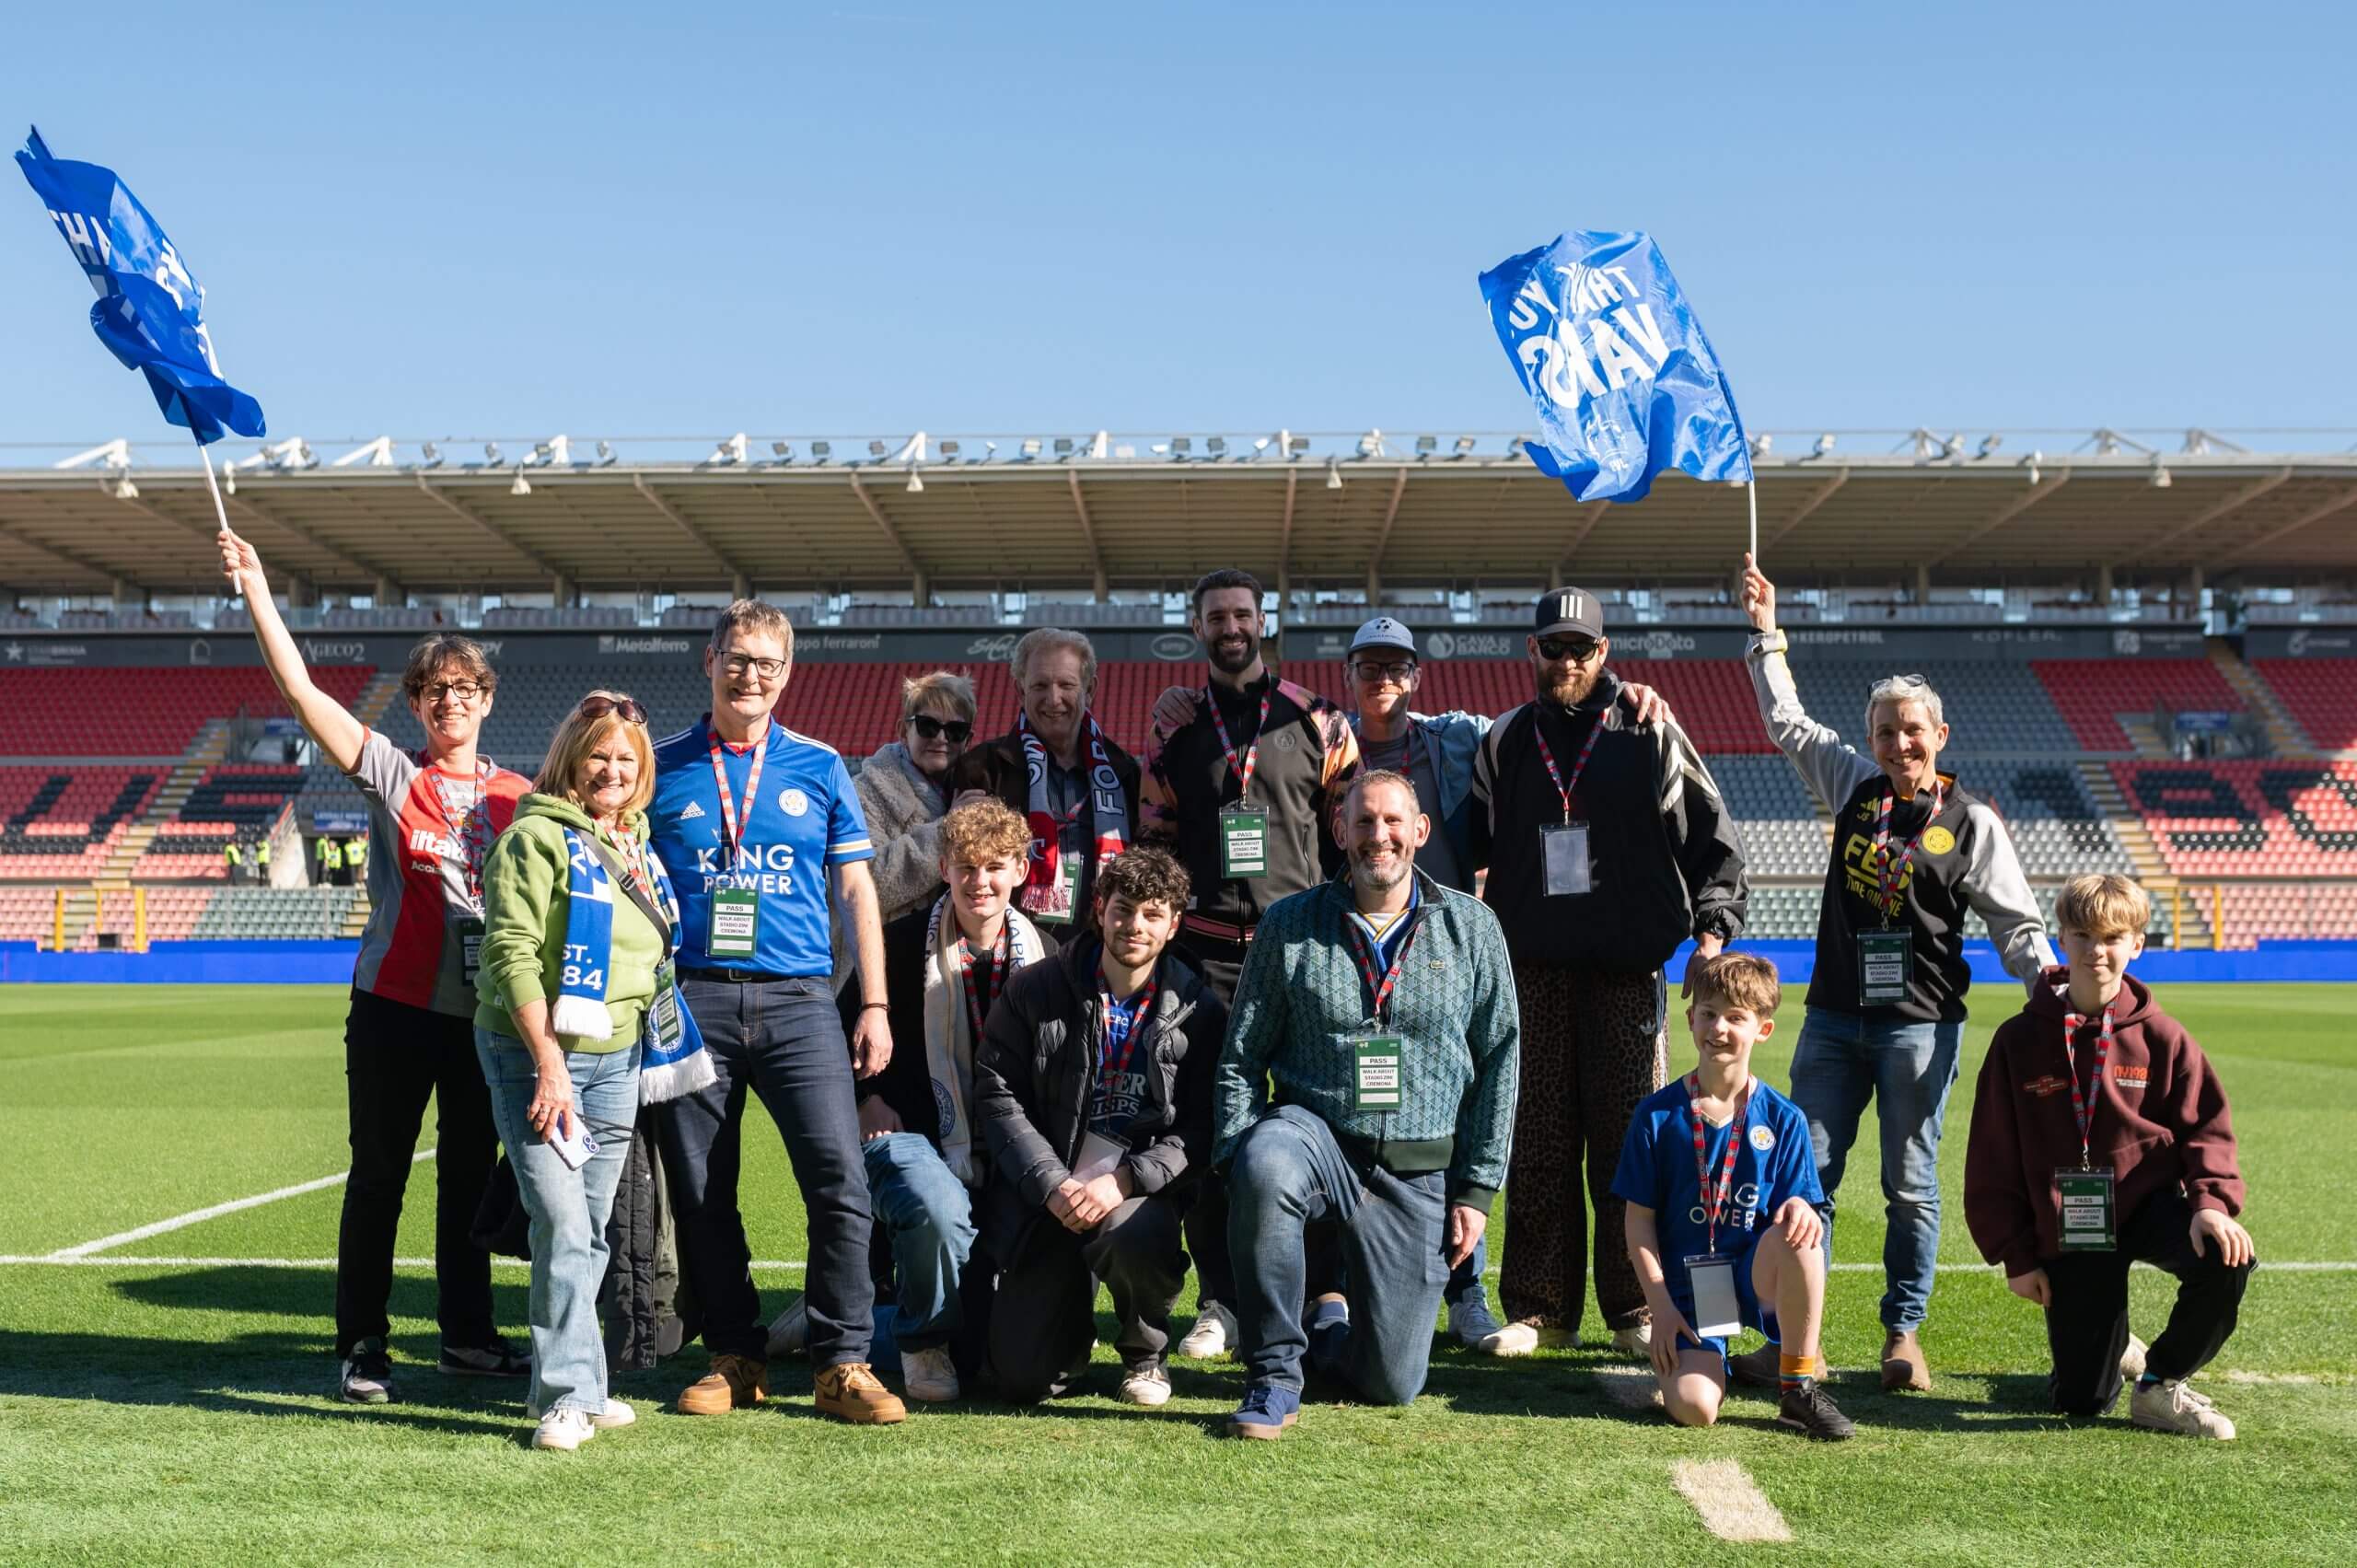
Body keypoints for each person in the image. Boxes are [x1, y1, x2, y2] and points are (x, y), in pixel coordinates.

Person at [219, 526, 530, 1404]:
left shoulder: (519, 796)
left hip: (484, 1017)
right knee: (380, 1175)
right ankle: (362, 1340)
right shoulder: (392, 772)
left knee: (470, 1180)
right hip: (393, 1007)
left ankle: (468, 1337)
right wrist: (257, 592)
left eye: (465, 689)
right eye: (435, 691)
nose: (451, 703)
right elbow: (300, 689)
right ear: (417, 704)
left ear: (486, 700)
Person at [1739, 553, 2053, 1392]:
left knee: (1909, 1186)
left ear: (1938, 736)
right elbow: (1790, 726)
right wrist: (1769, 635)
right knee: (1806, 1176)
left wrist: (2052, 992)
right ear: (1872, 740)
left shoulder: (1971, 822)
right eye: (1886, 731)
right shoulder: (1852, 785)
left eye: (1912, 730)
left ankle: (1901, 1332)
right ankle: (1788, 1336)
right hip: (1835, 1020)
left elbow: (2018, 923)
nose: (1899, 742)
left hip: (1921, 1025)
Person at [643, 600, 906, 1425]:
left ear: (787, 673)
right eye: (736, 657)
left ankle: (843, 1360)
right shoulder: (660, 763)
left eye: (766, 662)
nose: (749, 674)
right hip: (694, 995)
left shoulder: (822, 766)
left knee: (837, 1176)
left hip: (800, 999)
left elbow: (859, 888)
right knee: (700, 1187)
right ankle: (735, 1353)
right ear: (709, 660)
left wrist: (874, 1001)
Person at [1470, 588, 1749, 1360]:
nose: (1567, 661)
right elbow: (1462, 839)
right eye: (1553, 647)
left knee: (1630, 1143)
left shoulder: (1652, 729)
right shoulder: (1505, 741)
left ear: (1604, 652)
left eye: (1582, 648)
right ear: (1531, 651)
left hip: (1629, 973)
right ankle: (1538, 1309)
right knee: (1537, 1143)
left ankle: (1632, 1305)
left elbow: (1713, 838)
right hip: (1533, 973)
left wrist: (1714, 927)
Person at [1216, 771, 1519, 1438]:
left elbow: (1500, 1061)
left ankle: (1329, 1323)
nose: (1376, 835)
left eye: (1390, 822)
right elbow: (1242, 1055)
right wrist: (1236, 1157)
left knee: (1394, 1382)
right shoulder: (1289, 924)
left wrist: (1475, 1190)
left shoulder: (1472, 926)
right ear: (1339, 832)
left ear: (1419, 831)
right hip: (1315, 1136)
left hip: (1417, 1172)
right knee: (1267, 1164)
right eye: (1362, 822)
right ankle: (1272, 1376)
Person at [474, 691, 709, 1450]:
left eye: (627, 760)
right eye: (599, 755)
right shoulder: (533, 838)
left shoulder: (634, 840)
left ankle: (587, 1380)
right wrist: (549, 1065)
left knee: (594, 1226)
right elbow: (509, 952)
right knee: (563, 1222)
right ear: (572, 760)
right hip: (539, 1056)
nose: (612, 770)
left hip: (618, 1053)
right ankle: (565, 1396)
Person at [1141, 567, 1359, 1361]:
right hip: (1200, 956)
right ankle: (1222, 1299)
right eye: (1215, 616)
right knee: (1204, 1126)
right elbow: (1155, 842)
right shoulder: (1174, 726)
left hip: (1297, 952)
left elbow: (1354, 843)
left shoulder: (1321, 721)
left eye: (1242, 614)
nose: (1230, 627)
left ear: (1262, 622)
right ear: (1195, 626)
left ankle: (1324, 1292)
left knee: (1318, 1119)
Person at [777, 799, 1059, 1402]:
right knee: (936, 1202)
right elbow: (832, 1034)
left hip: (1011, 1156)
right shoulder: (901, 946)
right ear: (942, 868)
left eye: (993, 866)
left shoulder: (1051, 960)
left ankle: (834, 1321)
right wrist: (865, 1097)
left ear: (1019, 869)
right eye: (965, 866)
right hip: (910, 1141)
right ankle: (922, 1342)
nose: (979, 881)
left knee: (1005, 1359)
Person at [1964, 874, 2254, 1437]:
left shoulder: (2164, 1037)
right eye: (2082, 935)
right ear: (2062, 940)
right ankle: (2110, 1347)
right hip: (2072, 1222)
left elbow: (2205, 1130)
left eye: (2112, 937)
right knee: (2080, 1401)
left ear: (2137, 944)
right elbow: (1992, 1156)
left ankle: (2159, 1384)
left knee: (2227, 1258)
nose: (2097, 950)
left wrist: (2210, 1204)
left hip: (2148, 1204)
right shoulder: (2019, 1042)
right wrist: (2016, 1256)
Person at [970, 846, 1225, 1406]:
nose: (1135, 925)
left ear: (1174, 924)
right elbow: (998, 1094)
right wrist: (1050, 1181)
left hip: (1132, 1195)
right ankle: (1069, 1334)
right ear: (1099, 909)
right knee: (1023, 1380)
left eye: (1153, 914)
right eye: (1124, 908)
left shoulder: (1200, 1010)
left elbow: (1204, 1125)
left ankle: (1145, 1355)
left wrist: (1128, 1180)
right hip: (1050, 1193)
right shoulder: (1035, 990)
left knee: (1134, 1232)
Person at [1611, 952, 1854, 1440]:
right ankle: (1708, 1361)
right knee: (1695, 1408)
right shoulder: (1657, 1116)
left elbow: (1798, 1203)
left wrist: (1798, 1205)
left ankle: (1796, 1389)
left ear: (1762, 1029)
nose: (1719, 1028)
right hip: (1686, 1293)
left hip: (1752, 1278)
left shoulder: (1782, 1119)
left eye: (1736, 1018)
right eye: (1709, 1014)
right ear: (1690, 1019)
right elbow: (1638, 1222)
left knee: (1805, 1233)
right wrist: (1659, 1306)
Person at [951, 629, 1141, 944]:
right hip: (1011, 952)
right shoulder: (982, 768)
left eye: (1067, 685)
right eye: (1040, 685)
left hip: (1100, 950)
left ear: (1090, 689)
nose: (1054, 699)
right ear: (1019, 689)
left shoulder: (1122, 771)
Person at [829, 671, 977, 981]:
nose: (941, 739)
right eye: (928, 726)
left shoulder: (973, 793)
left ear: (969, 739)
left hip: (946, 973)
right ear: (902, 730)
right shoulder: (862, 793)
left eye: (955, 730)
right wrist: (946, 831)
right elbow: (866, 886)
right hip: (873, 972)